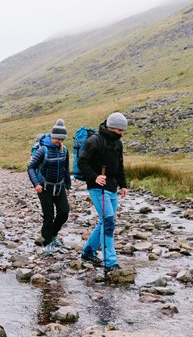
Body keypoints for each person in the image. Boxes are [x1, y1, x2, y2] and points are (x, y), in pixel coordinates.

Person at [78, 112, 128, 277]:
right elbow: (82, 162)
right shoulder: (94, 141)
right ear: (113, 127)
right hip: (98, 188)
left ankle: (88, 252)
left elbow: (120, 165)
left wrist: (123, 185)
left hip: (112, 187)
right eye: (121, 130)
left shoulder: (117, 143)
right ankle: (110, 262)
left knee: (107, 220)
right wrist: (94, 177)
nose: (122, 133)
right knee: (108, 222)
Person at [27, 119, 72, 254]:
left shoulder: (64, 150)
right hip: (44, 188)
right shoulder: (42, 150)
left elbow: (66, 168)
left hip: (59, 187)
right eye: (58, 139)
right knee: (49, 216)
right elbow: (30, 167)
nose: (60, 142)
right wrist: (36, 184)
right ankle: (47, 243)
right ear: (53, 137)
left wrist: (68, 186)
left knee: (64, 212)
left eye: (62, 139)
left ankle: (52, 235)